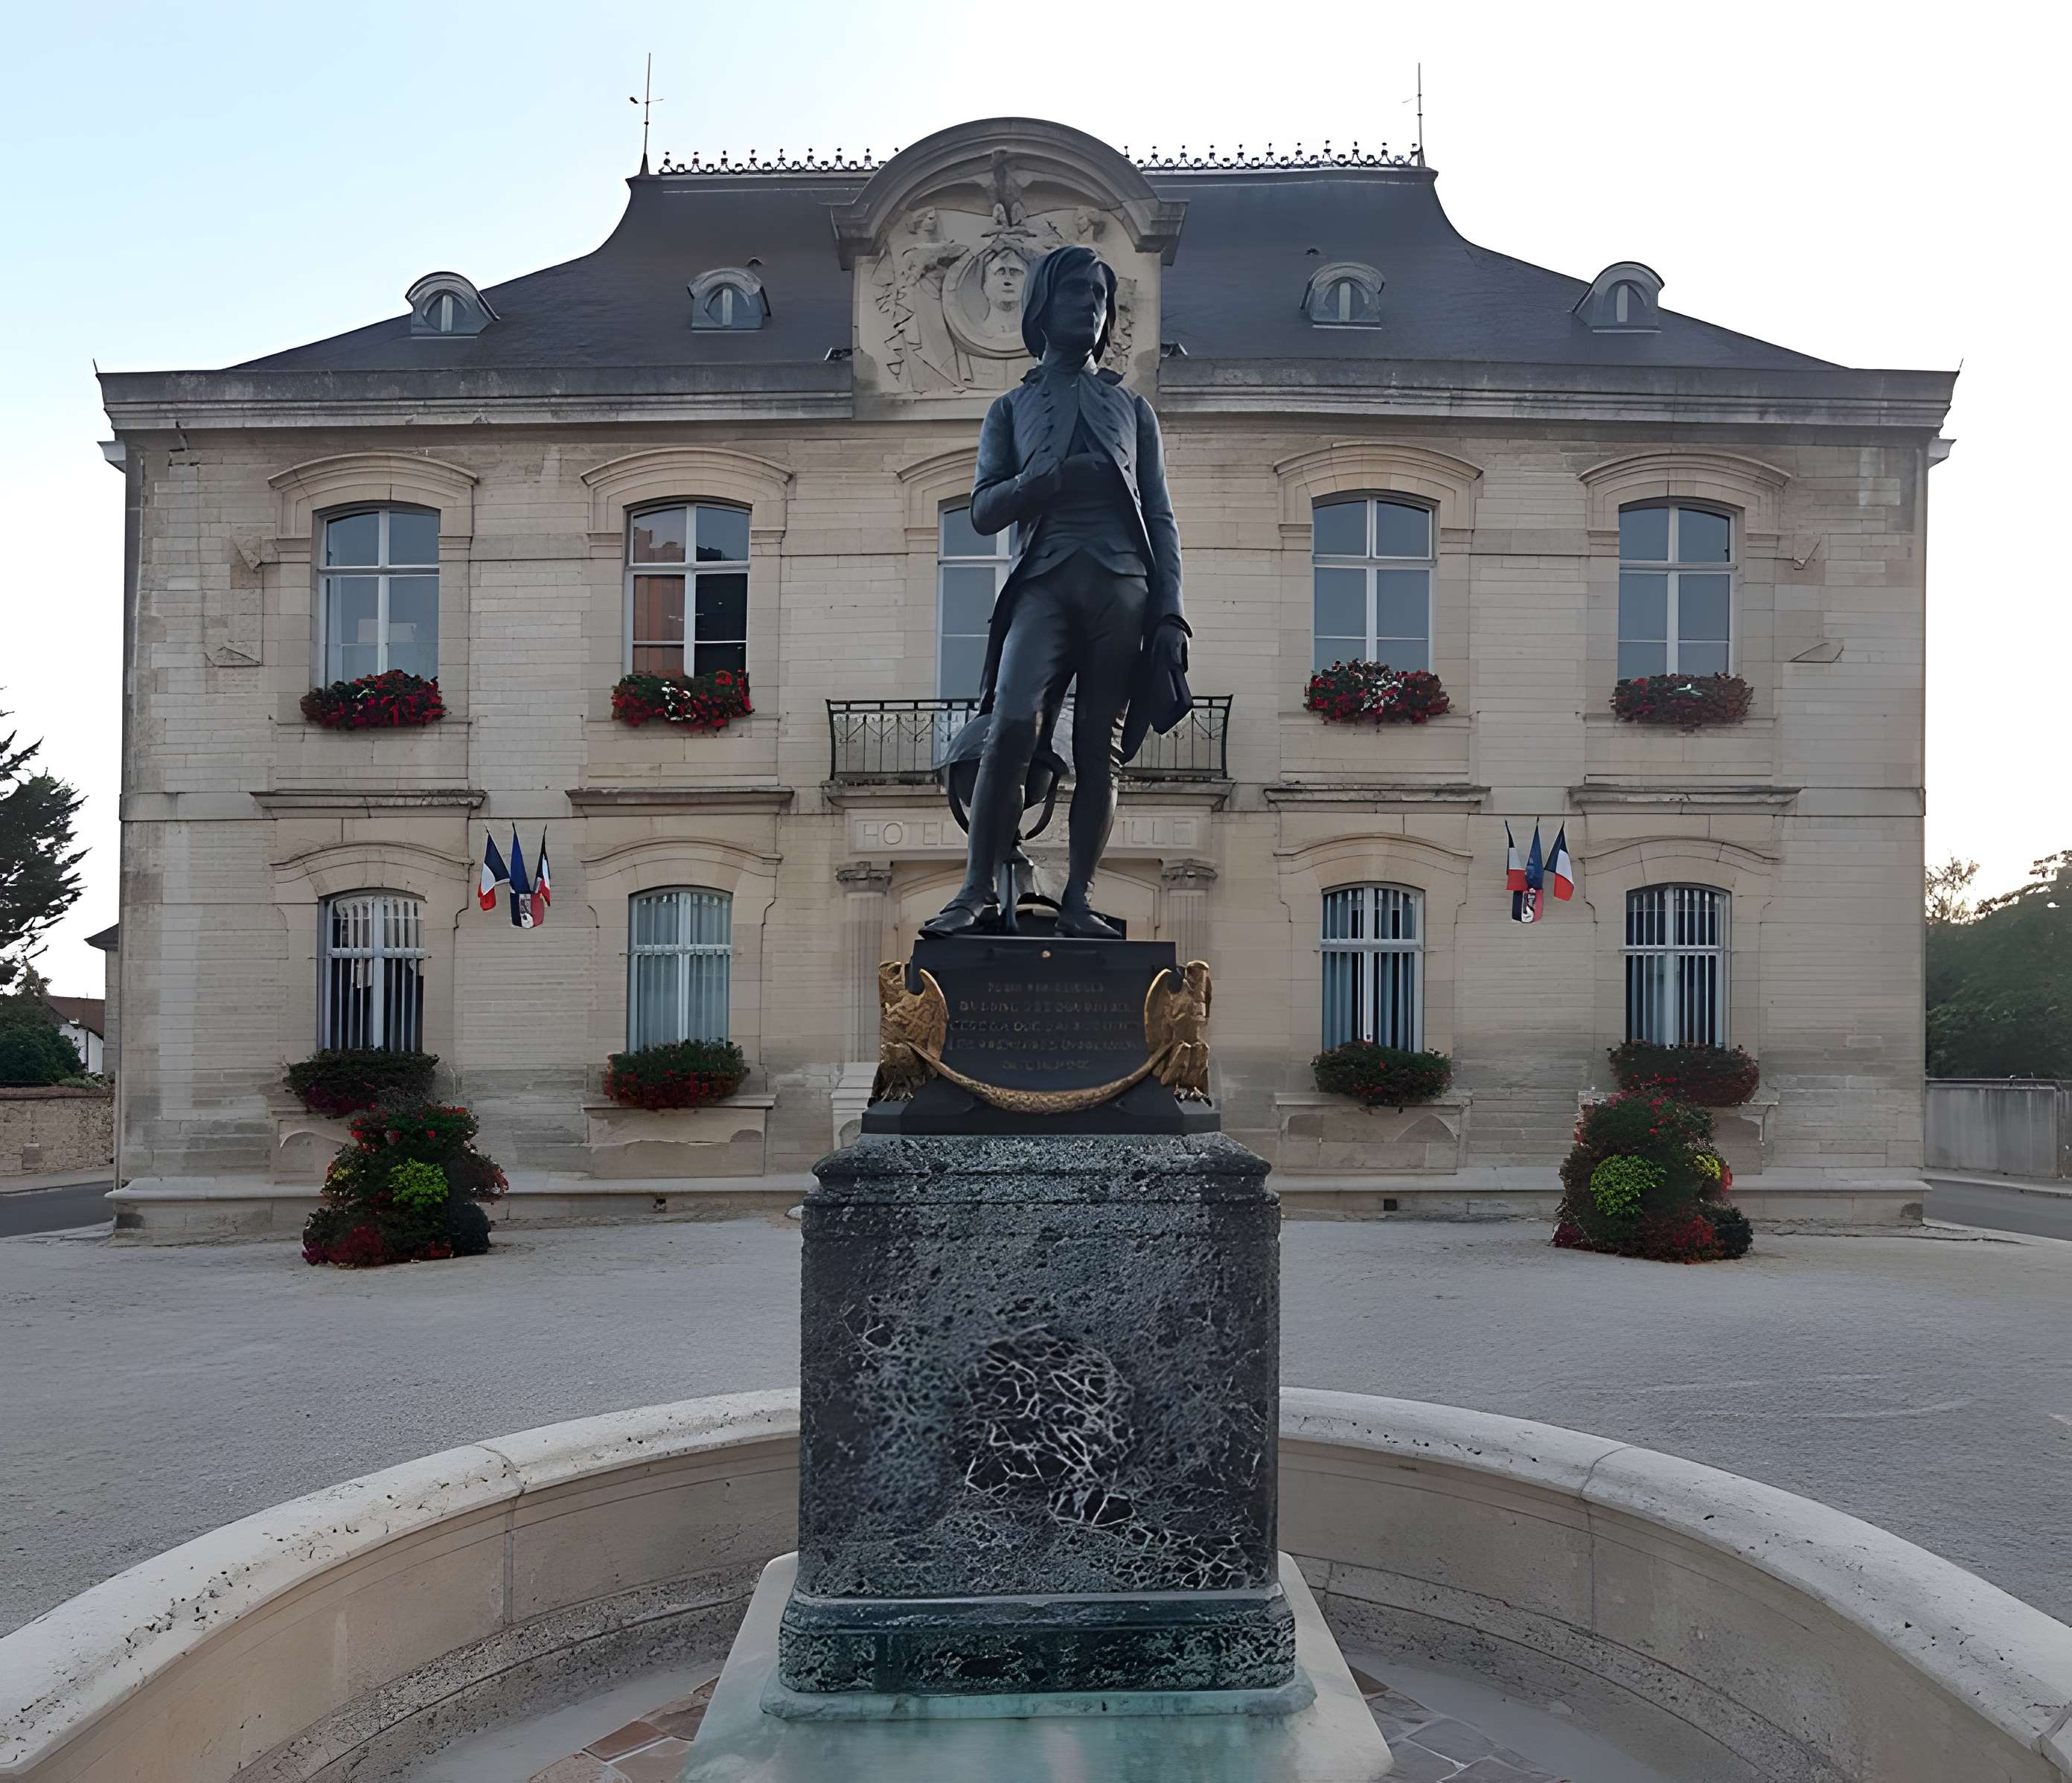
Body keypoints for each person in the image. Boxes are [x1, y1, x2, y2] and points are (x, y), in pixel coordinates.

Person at [921, 245, 1191, 940]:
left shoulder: (1132, 409)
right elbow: (982, 510)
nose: (1090, 307)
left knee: (1099, 750)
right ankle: (977, 888)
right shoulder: (1010, 408)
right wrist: (1039, 485)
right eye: (1075, 293)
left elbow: (1159, 516)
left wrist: (1171, 615)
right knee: (1012, 724)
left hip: (1121, 586)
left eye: (1099, 297)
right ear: (1042, 306)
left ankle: (1078, 899)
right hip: (1042, 580)